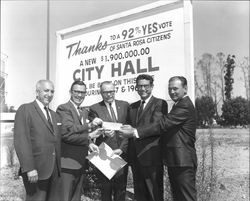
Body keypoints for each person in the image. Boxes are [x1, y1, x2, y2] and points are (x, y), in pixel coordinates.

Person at [120, 76, 197, 201]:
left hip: (181, 160)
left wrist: (134, 132)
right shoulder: (179, 105)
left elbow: (162, 124)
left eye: (175, 89)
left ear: (185, 89)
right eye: (170, 89)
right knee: (179, 196)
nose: (172, 92)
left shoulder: (184, 106)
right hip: (175, 160)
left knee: (185, 197)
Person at [120, 74, 168, 201]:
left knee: (154, 194)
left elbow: (157, 125)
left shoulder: (160, 103)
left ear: (152, 87)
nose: (142, 89)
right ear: (136, 87)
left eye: (146, 86)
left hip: (152, 157)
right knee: (140, 195)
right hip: (136, 158)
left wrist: (134, 132)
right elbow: (128, 127)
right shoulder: (133, 106)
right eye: (140, 86)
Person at [53, 80, 103, 201]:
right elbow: (67, 133)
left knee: (76, 198)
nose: (79, 95)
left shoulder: (83, 111)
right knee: (64, 197)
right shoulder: (64, 108)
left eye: (82, 92)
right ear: (70, 92)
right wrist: (89, 130)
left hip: (81, 163)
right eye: (76, 92)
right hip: (67, 164)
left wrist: (90, 143)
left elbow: (80, 134)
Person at [14, 80, 61, 201]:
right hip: (36, 171)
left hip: (54, 171)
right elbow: (21, 140)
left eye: (52, 91)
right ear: (37, 92)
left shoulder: (54, 115)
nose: (49, 94)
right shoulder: (25, 109)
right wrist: (29, 168)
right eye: (46, 90)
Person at [89, 81, 129, 201]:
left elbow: (129, 129)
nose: (109, 94)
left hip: (121, 152)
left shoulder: (125, 105)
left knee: (121, 189)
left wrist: (122, 149)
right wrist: (103, 132)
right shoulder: (94, 108)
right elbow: (94, 129)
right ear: (101, 93)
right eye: (105, 92)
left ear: (114, 90)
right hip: (104, 154)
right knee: (106, 190)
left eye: (111, 91)